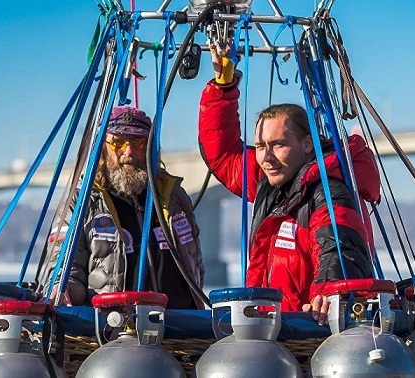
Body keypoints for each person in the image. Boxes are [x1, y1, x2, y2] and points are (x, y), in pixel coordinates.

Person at [198, 44, 381, 324]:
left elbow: (339, 247)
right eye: (260, 146)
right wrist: (223, 86)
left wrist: (328, 292)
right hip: (269, 329)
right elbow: (223, 153)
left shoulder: (328, 193)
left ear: (307, 145)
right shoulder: (270, 184)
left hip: (307, 331)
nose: (266, 157)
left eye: (278, 144)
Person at [44, 105, 205, 309]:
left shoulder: (174, 198)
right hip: (112, 325)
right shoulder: (82, 201)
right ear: (103, 149)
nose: (128, 152)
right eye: (118, 143)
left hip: (177, 324)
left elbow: (195, 261)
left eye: (138, 143)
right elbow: (65, 261)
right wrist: (62, 288)